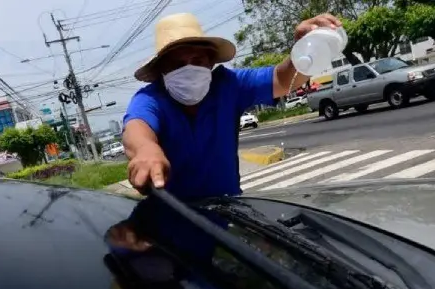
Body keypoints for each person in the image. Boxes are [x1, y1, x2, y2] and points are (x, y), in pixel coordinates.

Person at [123, 12, 342, 200]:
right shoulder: (150, 98)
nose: (189, 70)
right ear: (162, 70)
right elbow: (136, 128)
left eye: (197, 61)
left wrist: (303, 49)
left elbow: (283, 80)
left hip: (229, 215)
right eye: (177, 65)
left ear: (210, 62)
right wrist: (146, 150)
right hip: (171, 222)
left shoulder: (229, 85)